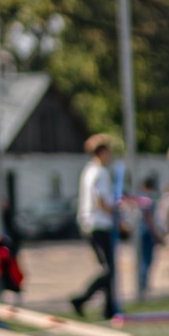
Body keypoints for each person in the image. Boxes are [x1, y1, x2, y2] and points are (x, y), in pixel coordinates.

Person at [70, 132, 116, 321]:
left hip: (91, 223)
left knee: (108, 269)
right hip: (99, 224)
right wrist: (117, 216)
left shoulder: (89, 170)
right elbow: (101, 200)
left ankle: (109, 308)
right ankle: (82, 299)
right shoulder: (100, 172)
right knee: (108, 269)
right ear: (103, 151)